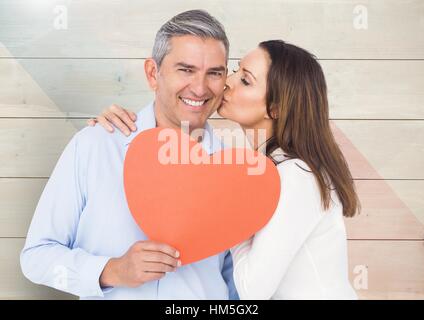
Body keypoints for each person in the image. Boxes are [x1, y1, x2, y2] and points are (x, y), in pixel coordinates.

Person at [93, 40, 360, 299]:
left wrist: (230, 214)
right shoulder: (270, 168)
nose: (227, 82)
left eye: (245, 80)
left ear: (276, 108)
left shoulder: (294, 176)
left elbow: (250, 290)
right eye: (235, 71)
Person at [21, 10, 238, 300]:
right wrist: (112, 270)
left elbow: (236, 284)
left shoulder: (233, 170)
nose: (199, 88)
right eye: (185, 70)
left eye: (214, 73)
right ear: (153, 73)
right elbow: (36, 257)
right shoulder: (95, 145)